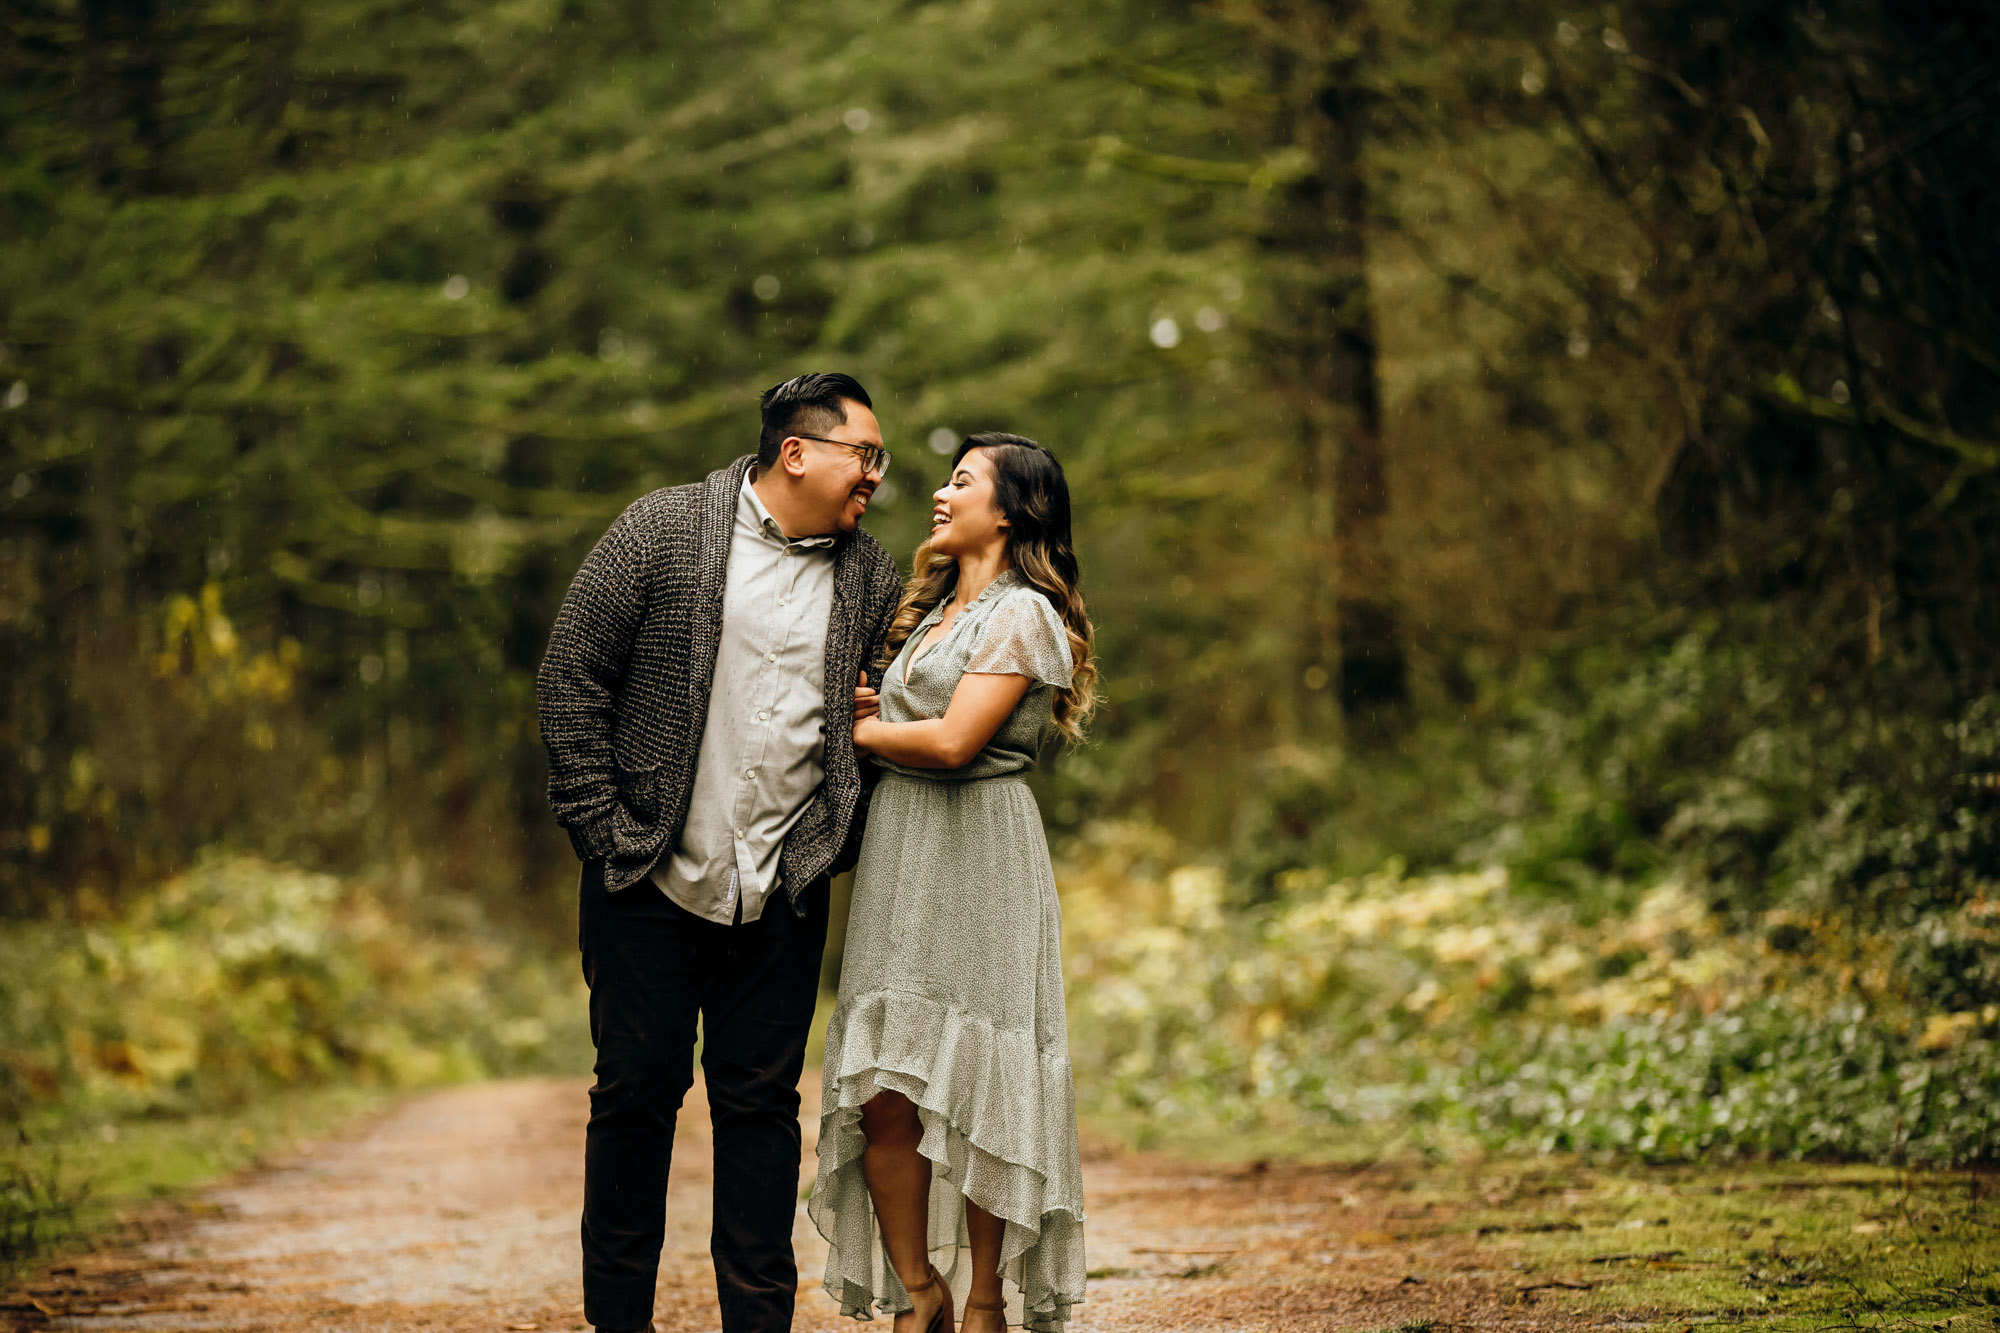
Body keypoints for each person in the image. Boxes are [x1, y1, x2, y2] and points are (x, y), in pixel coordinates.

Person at [535, 372, 905, 1333]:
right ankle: (618, 1321)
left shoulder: (873, 577)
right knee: (633, 1100)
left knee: (761, 1114)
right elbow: (572, 676)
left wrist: (832, 845)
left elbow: (886, 722)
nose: (875, 475)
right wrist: (605, 831)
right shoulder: (660, 530)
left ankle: (757, 1323)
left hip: (780, 891)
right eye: (864, 454)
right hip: (644, 879)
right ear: (797, 452)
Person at [810, 433, 1096, 1333]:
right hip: (903, 850)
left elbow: (951, 741)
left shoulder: (1022, 614)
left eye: (961, 481)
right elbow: (913, 719)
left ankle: (983, 1301)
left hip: (982, 844)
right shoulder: (925, 615)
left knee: (975, 1088)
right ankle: (917, 1286)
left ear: (1009, 510)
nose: (939, 493)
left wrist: (853, 729)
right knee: (886, 1089)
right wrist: (876, 713)